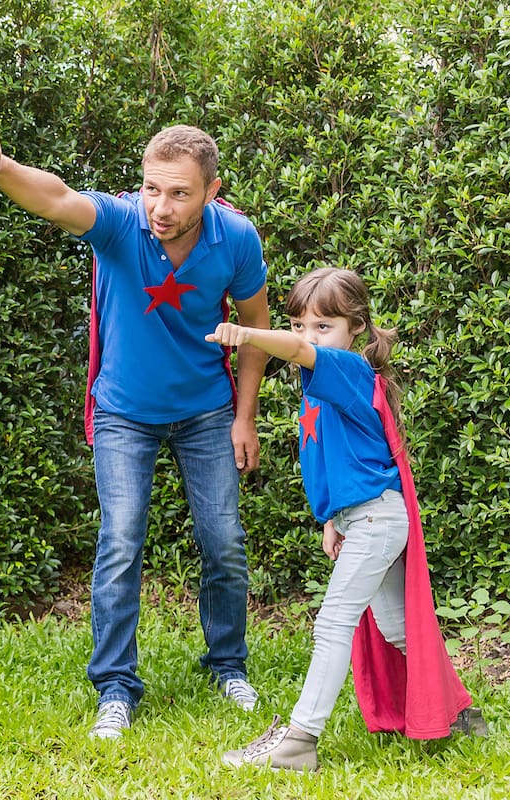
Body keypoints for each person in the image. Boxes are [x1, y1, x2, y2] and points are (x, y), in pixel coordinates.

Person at [0, 126, 271, 739]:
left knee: (224, 542)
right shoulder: (121, 223)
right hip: (124, 411)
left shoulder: (235, 238)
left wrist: (245, 415)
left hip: (206, 411)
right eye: (152, 188)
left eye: (179, 193)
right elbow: (57, 198)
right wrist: (2, 166)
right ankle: (116, 687)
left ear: (212, 191)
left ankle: (228, 665)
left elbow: (256, 327)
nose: (161, 207)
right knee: (121, 542)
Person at [206, 267, 487, 771]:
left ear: (355, 327)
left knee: (333, 621)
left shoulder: (348, 370)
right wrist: (332, 518)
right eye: (298, 325)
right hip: (363, 517)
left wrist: (249, 333)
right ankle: (461, 712)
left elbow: (298, 354)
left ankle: (300, 739)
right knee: (398, 627)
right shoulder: (322, 383)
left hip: (379, 519)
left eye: (323, 325)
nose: (308, 337)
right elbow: (345, 458)